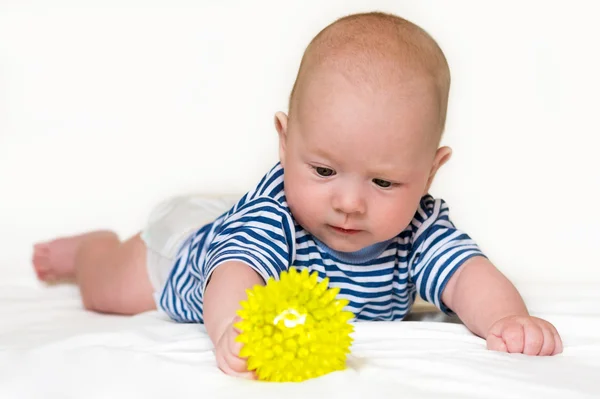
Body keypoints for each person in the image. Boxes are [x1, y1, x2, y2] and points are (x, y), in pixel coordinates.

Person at [31, 11, 563, 379]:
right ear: (285, 144)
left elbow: (470, 275)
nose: (350, 202)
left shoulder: (419, 228)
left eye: (383, 182)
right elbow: (235, 272)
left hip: (236, 233)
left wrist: (506, 321)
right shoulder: (275, 215)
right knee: (108, 293)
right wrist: (236, 330)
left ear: (429, 173)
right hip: (186, 255)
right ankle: (89, 250)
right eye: (324, 169)